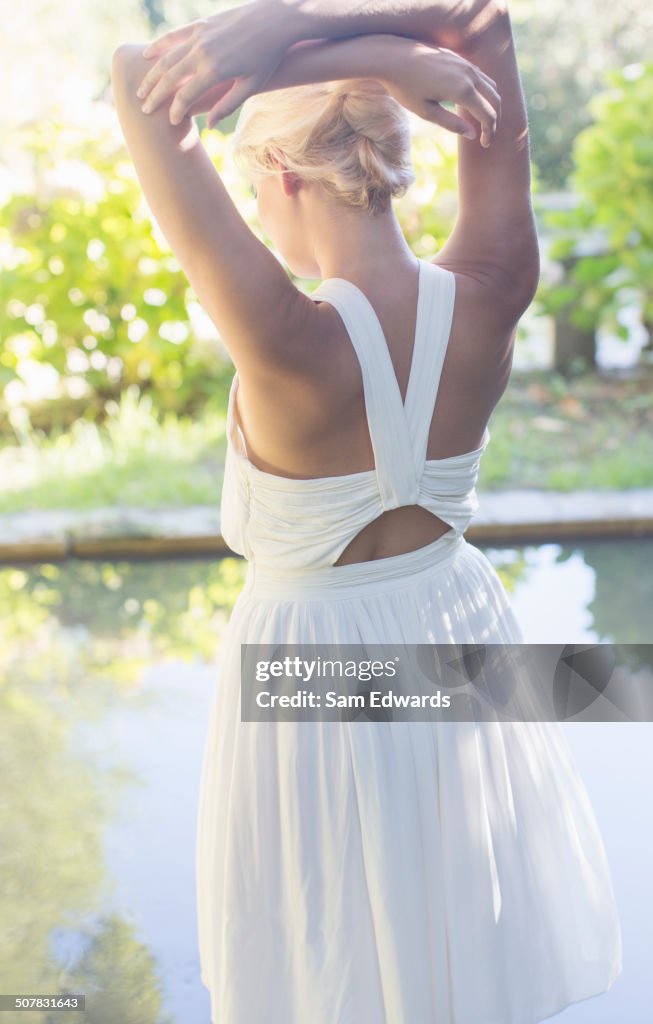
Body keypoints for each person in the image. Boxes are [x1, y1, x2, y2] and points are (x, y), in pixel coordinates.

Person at [111, 2, 623, 1020]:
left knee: (324, 956)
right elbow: (485, 25)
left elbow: (135, 80)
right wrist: (376, 51)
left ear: (285, 175)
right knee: (451, 945)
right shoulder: (491, 285)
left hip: (306, 672)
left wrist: (315, 40)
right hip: (456, 632)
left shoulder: (282, 337)